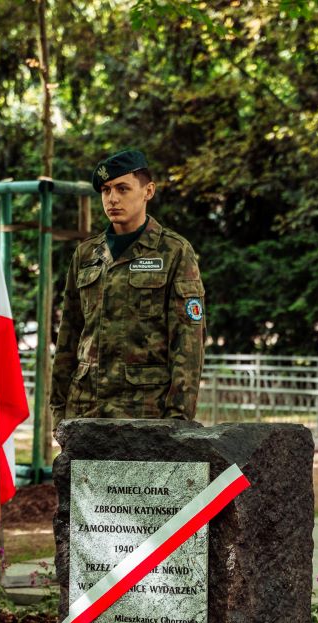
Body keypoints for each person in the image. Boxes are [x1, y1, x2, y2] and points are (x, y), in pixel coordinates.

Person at [50, 148, 206, 429]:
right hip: (86, 409)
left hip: (146, 413)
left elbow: (188, 342)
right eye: (106, 190)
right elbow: (69, 334)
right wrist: (59, 412)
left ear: (148, 191)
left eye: (123, 189)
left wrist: (178, 419)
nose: (112, 198)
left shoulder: (174, 252)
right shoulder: (87, 254)